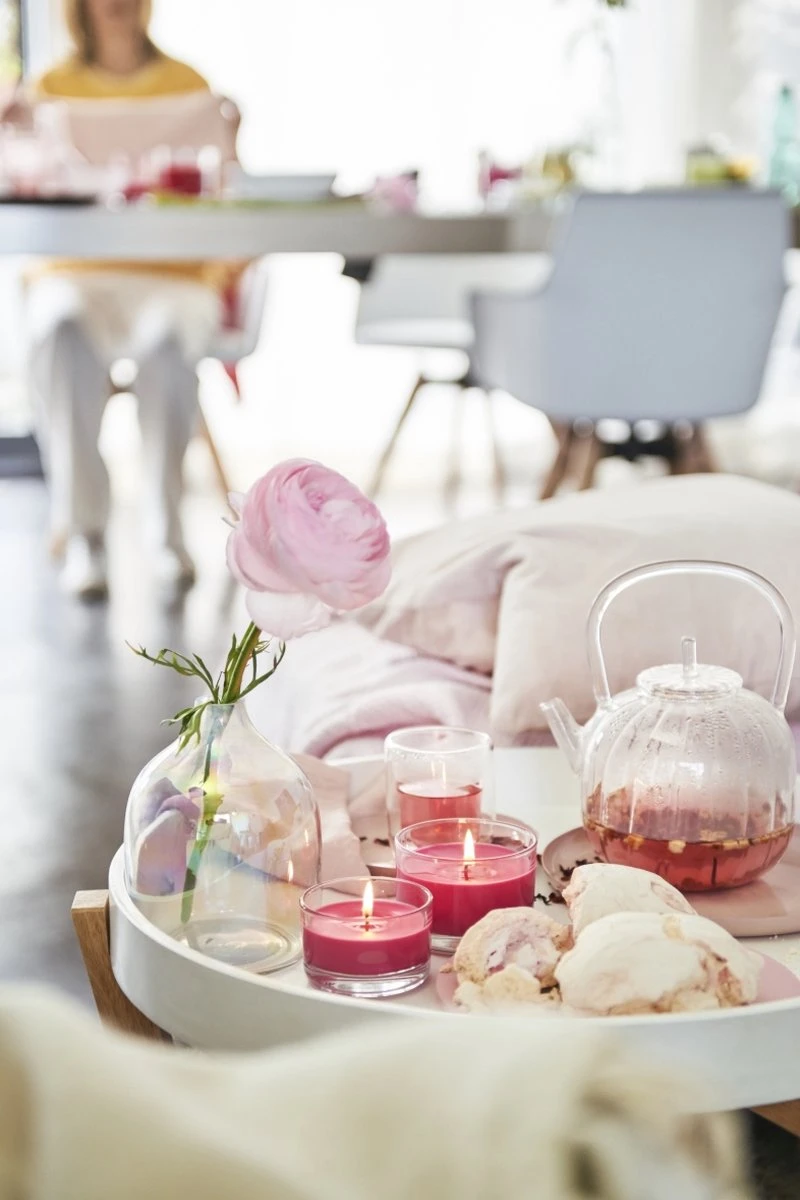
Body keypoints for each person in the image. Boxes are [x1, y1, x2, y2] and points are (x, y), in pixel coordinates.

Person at [17, 0, 238, 597]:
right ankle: (84, 532)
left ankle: (166, 529)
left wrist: (232, 138)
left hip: (172, 277)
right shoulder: (50, 87)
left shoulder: (187, 84)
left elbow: (227, 194)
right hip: (74, 273)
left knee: (168, 341)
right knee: (58, 326)